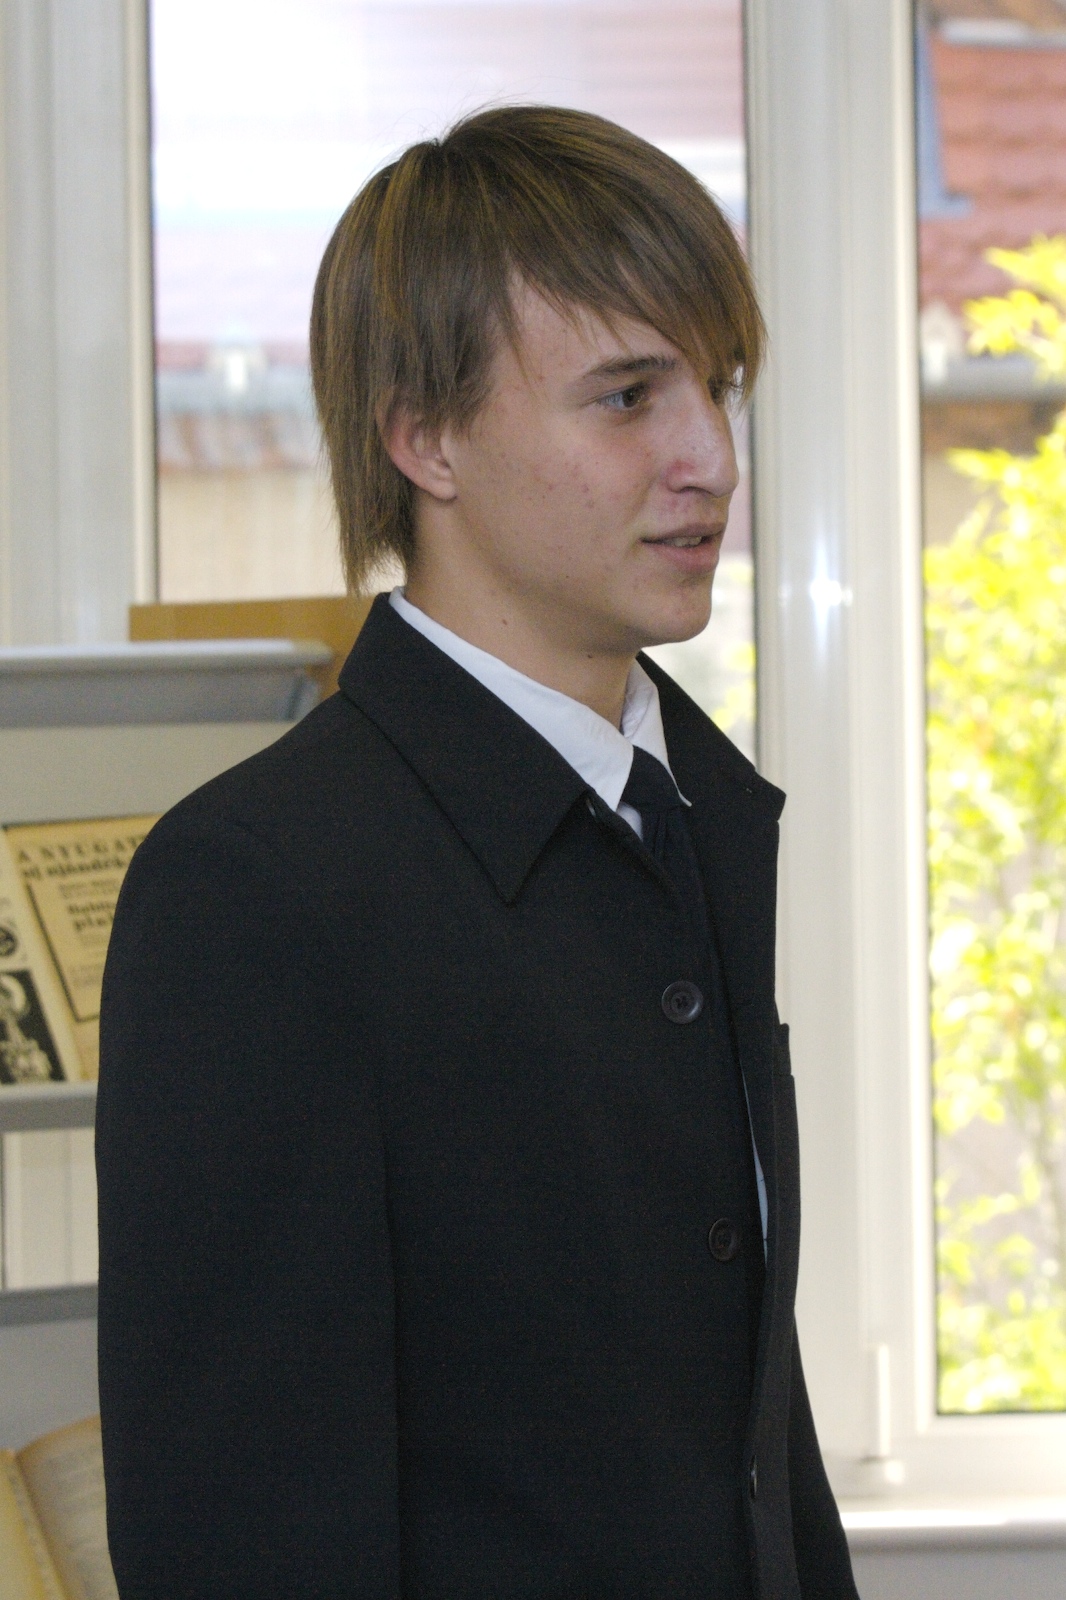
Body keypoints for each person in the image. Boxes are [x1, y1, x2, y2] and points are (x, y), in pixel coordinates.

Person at [96, 105, 859, 1599]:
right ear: (424, 439)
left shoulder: (696, 810)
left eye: (716, 387)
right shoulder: (255, 887)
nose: (709, 457)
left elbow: (750, 1437)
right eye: (627, 396)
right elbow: (238, 1534)